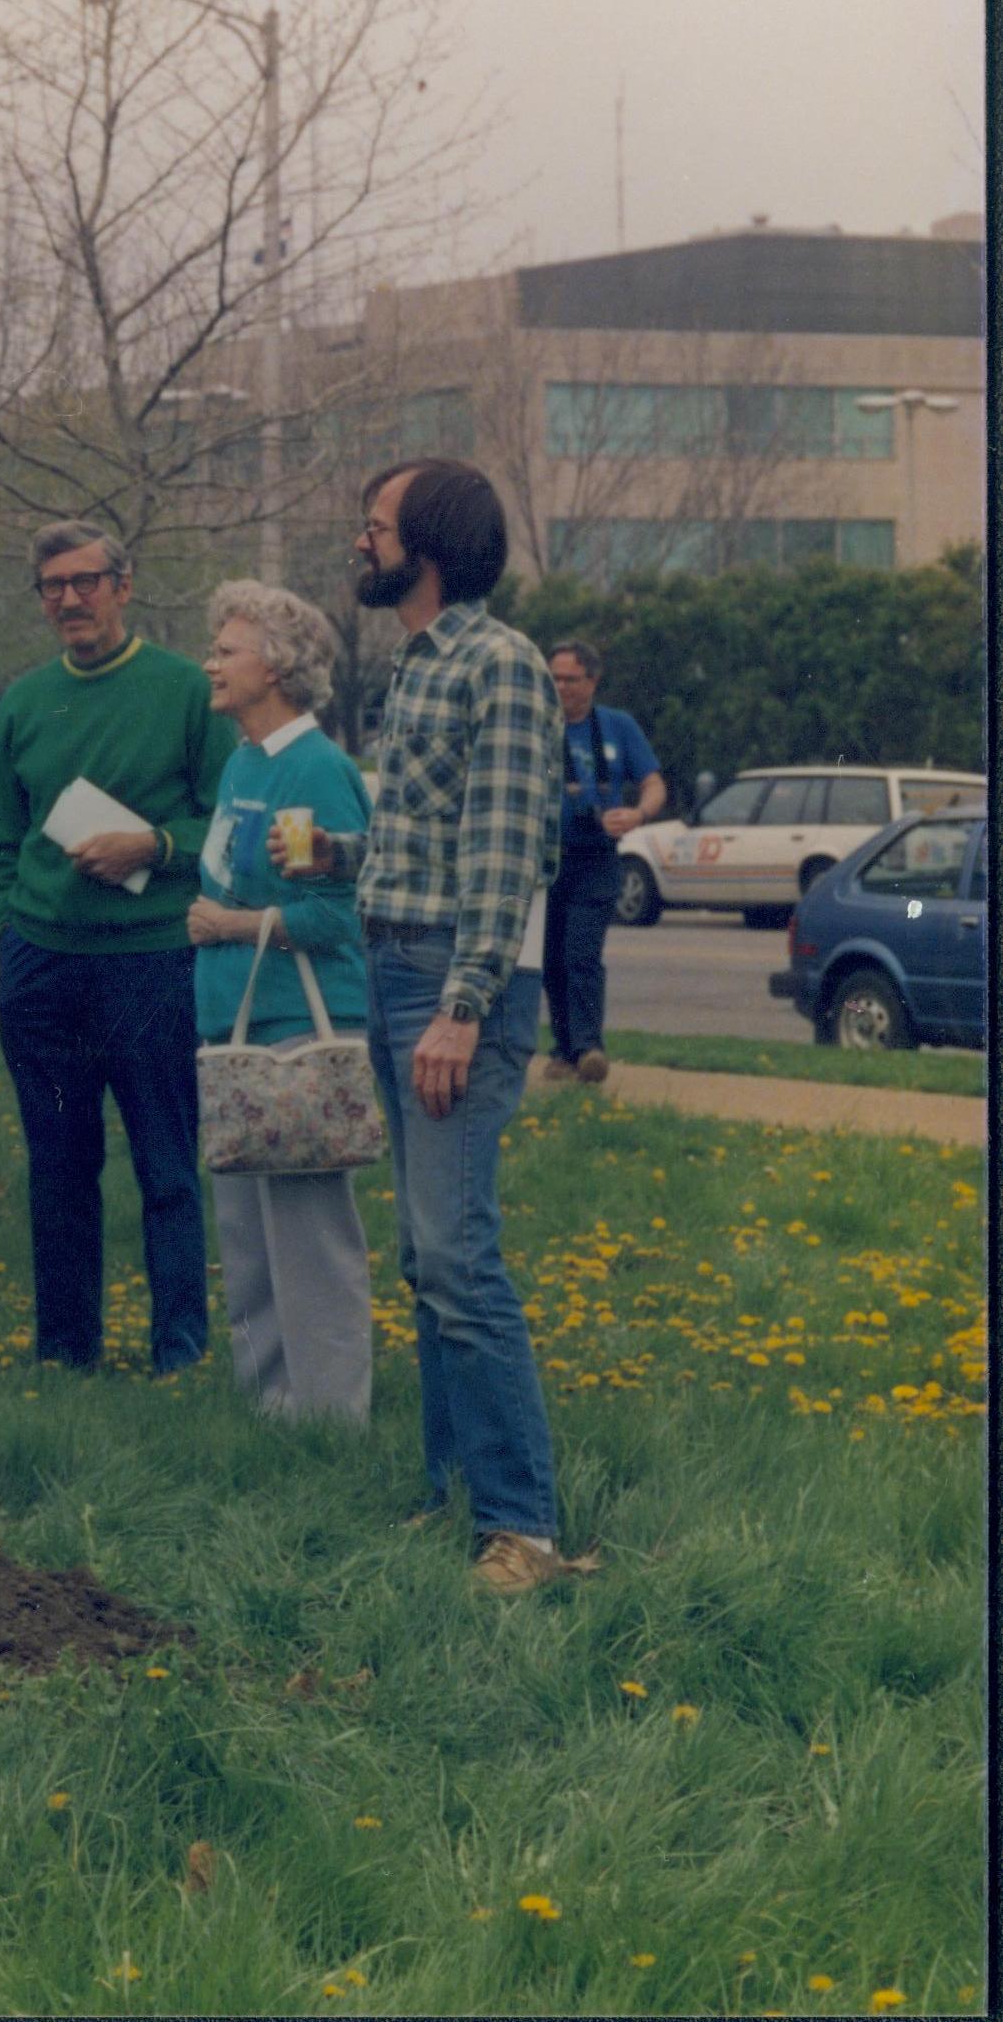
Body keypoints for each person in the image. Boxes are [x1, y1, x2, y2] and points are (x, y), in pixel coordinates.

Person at [276, 458, 576, 1596]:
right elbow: (427, 842)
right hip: (396, 967)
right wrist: (335, 858)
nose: (361, 541)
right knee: (425, 1257)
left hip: (456, 989)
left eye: (378, 525)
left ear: (430, 543)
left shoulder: (498, 664)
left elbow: (505, 856)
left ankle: (525, 1532)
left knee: (459, 1254)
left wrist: (461, 1007)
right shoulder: (415, 666)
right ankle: (455, 1497)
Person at [0, 521, 231, 1376]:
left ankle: (179, 1355)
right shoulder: (20, 703)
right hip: (43, 965)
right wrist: (5, 927)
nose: (70, 599)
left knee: (166, 1164)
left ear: (124, 586)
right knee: (58, 1166)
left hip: (152, 960)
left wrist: (153, 845)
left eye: (86, 581)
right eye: (53, 585)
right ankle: (65, 1354)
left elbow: (227, 821)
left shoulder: (185, 691)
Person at [184, 582, 375, 1424]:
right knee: (249, 1244)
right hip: (230, 1029)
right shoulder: (243, 762)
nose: (211, 663)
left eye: (226, 649)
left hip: (296, 1029)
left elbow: (336, 914)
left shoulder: (315, 768)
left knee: (310, 1246)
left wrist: (233, 923)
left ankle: (331, 1422)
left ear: (278, 665)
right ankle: (270, 1415)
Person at [543, 640, 665, 1084]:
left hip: (596, 858)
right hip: (548, 858)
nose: (560, 687)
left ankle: (590, 1047)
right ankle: (563, 1049)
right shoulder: (538, 726)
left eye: (570, 679)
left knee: (581, 952)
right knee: (551, 958)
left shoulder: (617, 726)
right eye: (553, 678)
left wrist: (637, 813)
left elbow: (653, 783)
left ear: (592, 682)